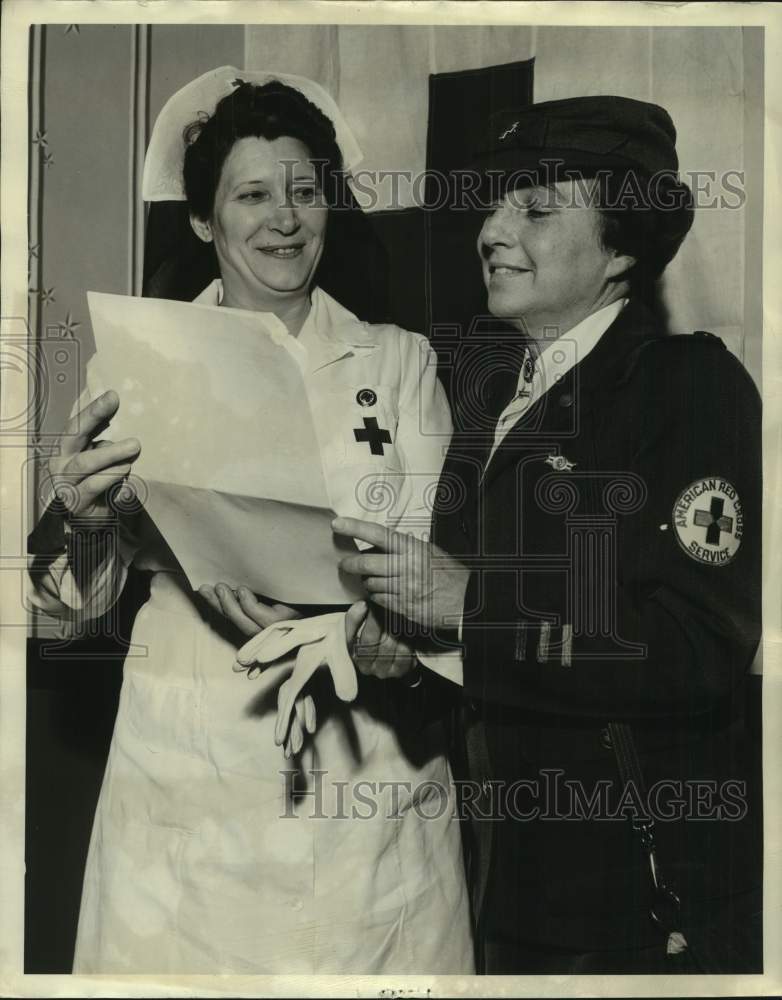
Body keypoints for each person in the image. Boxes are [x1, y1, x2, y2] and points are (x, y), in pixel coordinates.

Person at [27, 68, 472, 974]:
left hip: (367, 763)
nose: (285, 218)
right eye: (253, 195)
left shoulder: (397, 363)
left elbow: (436, 568)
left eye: (306, 191)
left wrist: (379, 624)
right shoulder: (139, 365)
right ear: (204, 221)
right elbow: (66, 611)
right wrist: (80, 518)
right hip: (193, 757)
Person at [333, 96, 762, 973]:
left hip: (635, 907)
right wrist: (409, 664)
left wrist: (470, 607)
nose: (492, 231)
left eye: (534, 209)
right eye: (493, 206)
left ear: (623, 248)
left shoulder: (685, 387)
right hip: (497, 887)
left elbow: (694, 647)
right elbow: (487, 664)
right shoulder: (488, 399)